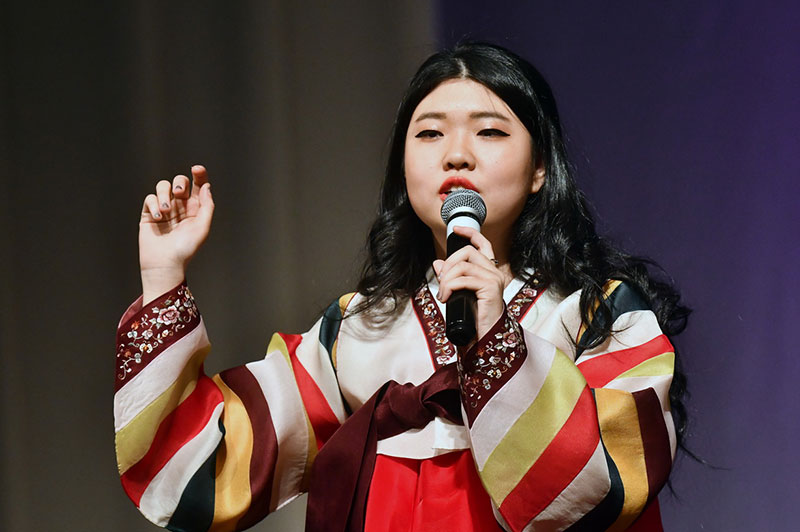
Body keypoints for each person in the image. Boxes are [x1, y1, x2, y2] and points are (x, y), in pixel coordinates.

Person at [114, 42, 689, 532]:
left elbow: (608, 488)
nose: (456, 154)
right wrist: (163, 274)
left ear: (540, 168)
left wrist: (497, 343)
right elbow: (199, 468)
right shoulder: (358, 327)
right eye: (429, 133)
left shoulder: (596, 312)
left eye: (490, 131)